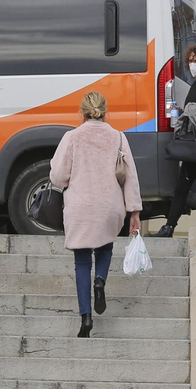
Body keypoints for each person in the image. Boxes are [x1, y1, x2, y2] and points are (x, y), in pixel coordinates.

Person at [49, 91, 142, 338]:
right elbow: (130, 176)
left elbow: (58, 177)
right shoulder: (119, 137)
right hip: (110, 205)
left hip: (80, 206)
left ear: (81, 112)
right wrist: (134, 210)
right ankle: (100, 280)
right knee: (105, 246)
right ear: (105, 112)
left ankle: (86, 318)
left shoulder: (72, 137)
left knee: (81, 262)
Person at [154, 43, 196, 238]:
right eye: (190, 61)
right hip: (194, 143)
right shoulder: (195, 84)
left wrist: (192, 111)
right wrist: (184, 112)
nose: (193, 64)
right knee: (185, 187)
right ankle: (170, 226)